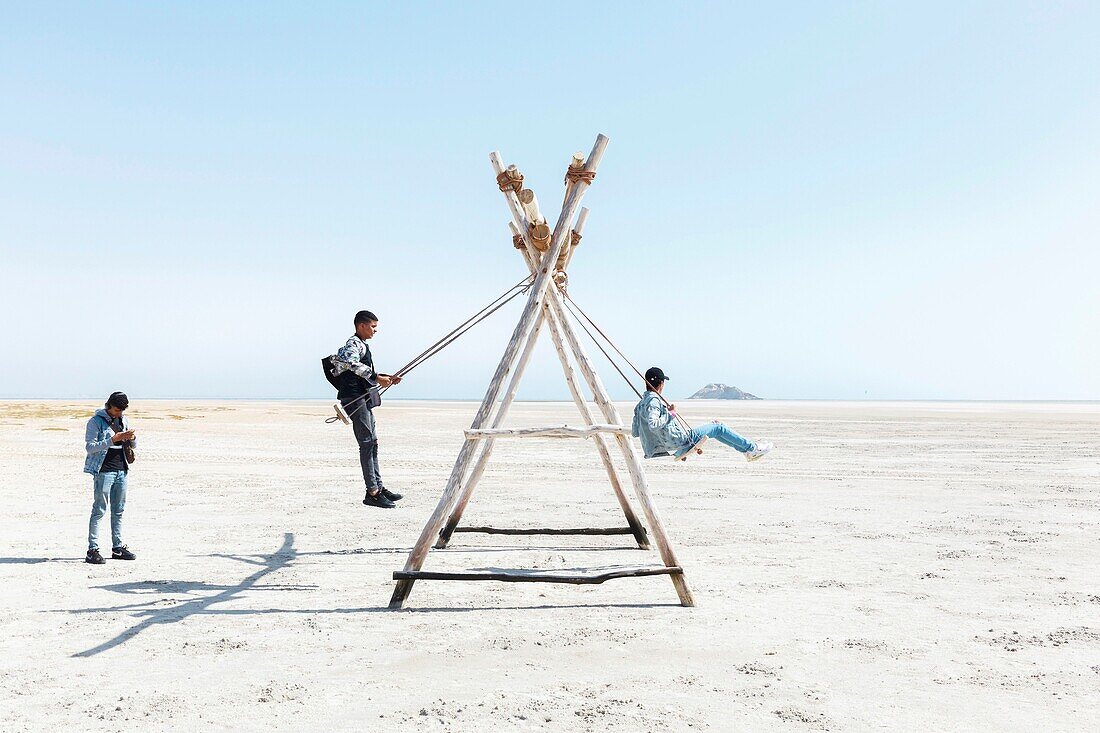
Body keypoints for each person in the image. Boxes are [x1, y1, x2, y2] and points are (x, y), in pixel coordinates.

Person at [329, 310, 404, 508]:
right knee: (367, 442)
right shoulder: (353, 344)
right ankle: (372, 492)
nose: (375, 331)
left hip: (361, 396)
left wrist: (384, 377)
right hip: (354, 397)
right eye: (373, 327)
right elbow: (351, 363)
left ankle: (378, 486)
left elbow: (361, 370)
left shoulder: (362, 345)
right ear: (361, 325)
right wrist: (377, 378)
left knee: (373, 442)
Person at [632, 367, 773, 461]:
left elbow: (635, 432)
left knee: (716, 428)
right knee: (718, 427)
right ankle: (752, 448)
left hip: (663, 447)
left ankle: (746, 451)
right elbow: (653, 425)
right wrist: (671, 414)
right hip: (680, 440)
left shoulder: (640, 405)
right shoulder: (654, 402)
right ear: (661, 383)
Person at [84, 391, 138, 564]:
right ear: (109, 406)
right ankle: (92, 550)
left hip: (122, 469)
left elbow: (134, 445)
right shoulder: (95, 422)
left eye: (122, 410)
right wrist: (113, 440)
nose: (119, 413)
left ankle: (118, 548)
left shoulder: (123, 419)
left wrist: (132, 438)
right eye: (117, 410)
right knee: (99, 509)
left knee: (119, 510)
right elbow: (90, 447)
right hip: (103, 471)